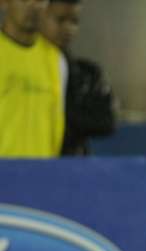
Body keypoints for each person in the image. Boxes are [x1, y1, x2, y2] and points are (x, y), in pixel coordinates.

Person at [39, 0, 115, 155]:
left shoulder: (87, 73)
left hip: (71, 165)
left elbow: (106, 121)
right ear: (40, 16)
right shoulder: (19, 67)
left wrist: (59, 116)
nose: (68, 28)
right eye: (60, 20)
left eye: (74, 21)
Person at [0, 0, 65, 157]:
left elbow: (56, 129)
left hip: (41, 174)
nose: (32, 5)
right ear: (4, 3)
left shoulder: (57, 60)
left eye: (39, 0)